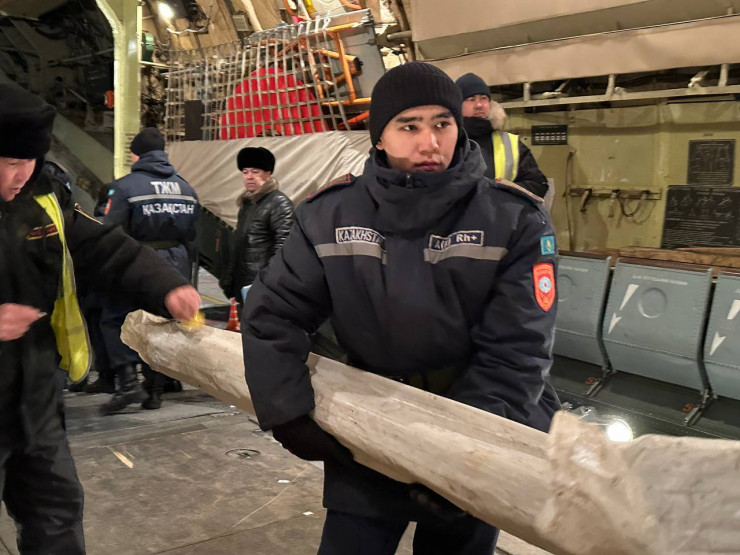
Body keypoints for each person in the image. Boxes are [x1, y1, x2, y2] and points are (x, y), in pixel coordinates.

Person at [241, 62, 560, 555]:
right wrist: (286, 411)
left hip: (474, 424)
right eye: (409, 126)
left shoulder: (512, 220)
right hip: (368, 424)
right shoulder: (330, 214)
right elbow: (274, 312)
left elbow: (517, 350)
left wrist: (461, 458)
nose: (429, 142)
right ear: (380, 137)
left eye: (442, 124)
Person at [0, 82, 200, 554]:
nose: (21, 174)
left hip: (35, 397)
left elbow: (105, 246)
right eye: (9, 162)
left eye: (30, 161)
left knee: (56, 512)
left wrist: (167, 286)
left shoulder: (43, 196)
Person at [100, 127, 200, 412]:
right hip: (176, 263)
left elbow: (110, 231)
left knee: (114, 318)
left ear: (135, 154)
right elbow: (193, 234)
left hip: (138, 261)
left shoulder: (124, 187)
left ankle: (129, 383)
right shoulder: (186, 188)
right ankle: (155, 390)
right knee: (162, 325)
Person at [219, 146, 294, 304]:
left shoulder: (279, 203)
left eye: (255, 172)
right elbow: (240, 244)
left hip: (263, 286)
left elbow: (283, 249)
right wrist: (230, 278)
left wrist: (266, 283)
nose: (249, 177)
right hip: (244, 284)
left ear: (268, 174)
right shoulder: (247, 204)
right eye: (245, 172)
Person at [455, 72, 549, 198]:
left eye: (483, 98)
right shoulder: (445, 142)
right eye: (471, 99)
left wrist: (501, 192)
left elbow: (538, 184)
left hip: (499, 210)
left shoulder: (510, 143)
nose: (479, 105)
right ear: (457, 105)